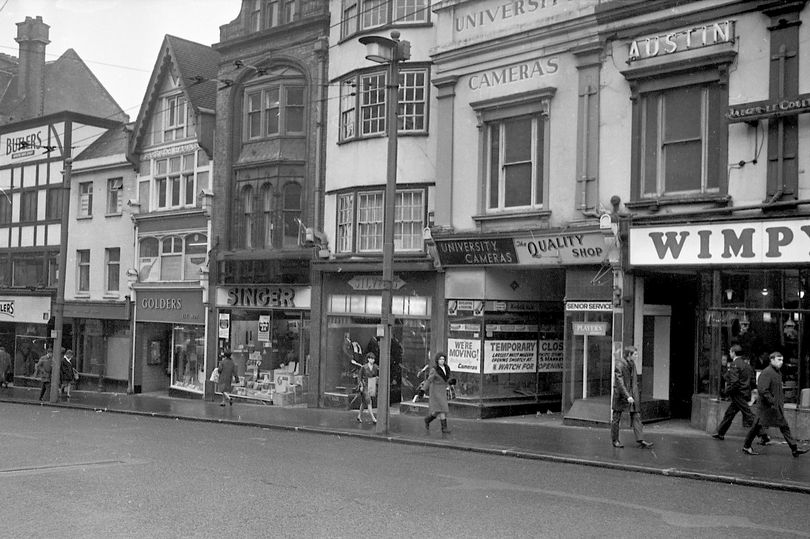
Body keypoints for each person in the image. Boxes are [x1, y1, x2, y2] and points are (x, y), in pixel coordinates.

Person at [742, 352, 808, 457]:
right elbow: (763, 390)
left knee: (783, 426)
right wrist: (772, 401)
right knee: (757, 426)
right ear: (771, 360)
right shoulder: (767, 372)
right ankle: (746, 446)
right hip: (767, 407)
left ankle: (794, 448)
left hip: (773, 407)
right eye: (779, 360)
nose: (781, 362)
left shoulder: (777, 372)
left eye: (782, 360)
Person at [712, 345, 763, 441]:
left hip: (738, 394)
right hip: (744, 393)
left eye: (730, 352)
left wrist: (726, 391)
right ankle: (720, 432)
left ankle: (763, 435)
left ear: (733, 352)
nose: (730, 353)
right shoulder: (747, 366)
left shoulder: (734, 364)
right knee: (729, 413)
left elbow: (734, 382)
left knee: (748, 415)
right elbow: (752, 381)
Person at [611, 346, 653, 449]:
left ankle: (640, 440)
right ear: (629, 355)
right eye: (635, 354)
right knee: (616, 418)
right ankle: (615, 440)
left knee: (636, 416)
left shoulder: (632, 364)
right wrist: (628, 396)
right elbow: (620, 383)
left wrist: (634, 395)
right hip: (621, 395)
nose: (637, 356)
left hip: (631, 395)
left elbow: (633, 381)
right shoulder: (619, 365)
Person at [424, 352, 455, 434]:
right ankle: (444, 428)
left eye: (443, 359)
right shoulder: (434, 370)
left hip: (443, 390)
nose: (442, 361)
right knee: (442, 409)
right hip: (436, 391)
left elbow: (446, 378)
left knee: (439, 410)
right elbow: (429, 380)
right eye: (440, 359)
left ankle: (428, 419)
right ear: (437, 360)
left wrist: (450, 381)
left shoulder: (446, 368)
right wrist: (422, 390)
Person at [356, 352, 378, 424]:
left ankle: (359, 416)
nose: (372, 360)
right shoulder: (364, 367)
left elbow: (376, 375)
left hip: (371, 385)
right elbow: (359, 377)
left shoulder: (375, 367)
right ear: (368, 359)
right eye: (371, 359)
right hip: (365, 385)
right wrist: (361, 385)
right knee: (369, 401)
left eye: (373, 359)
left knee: (364, 402)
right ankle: (373, 418)